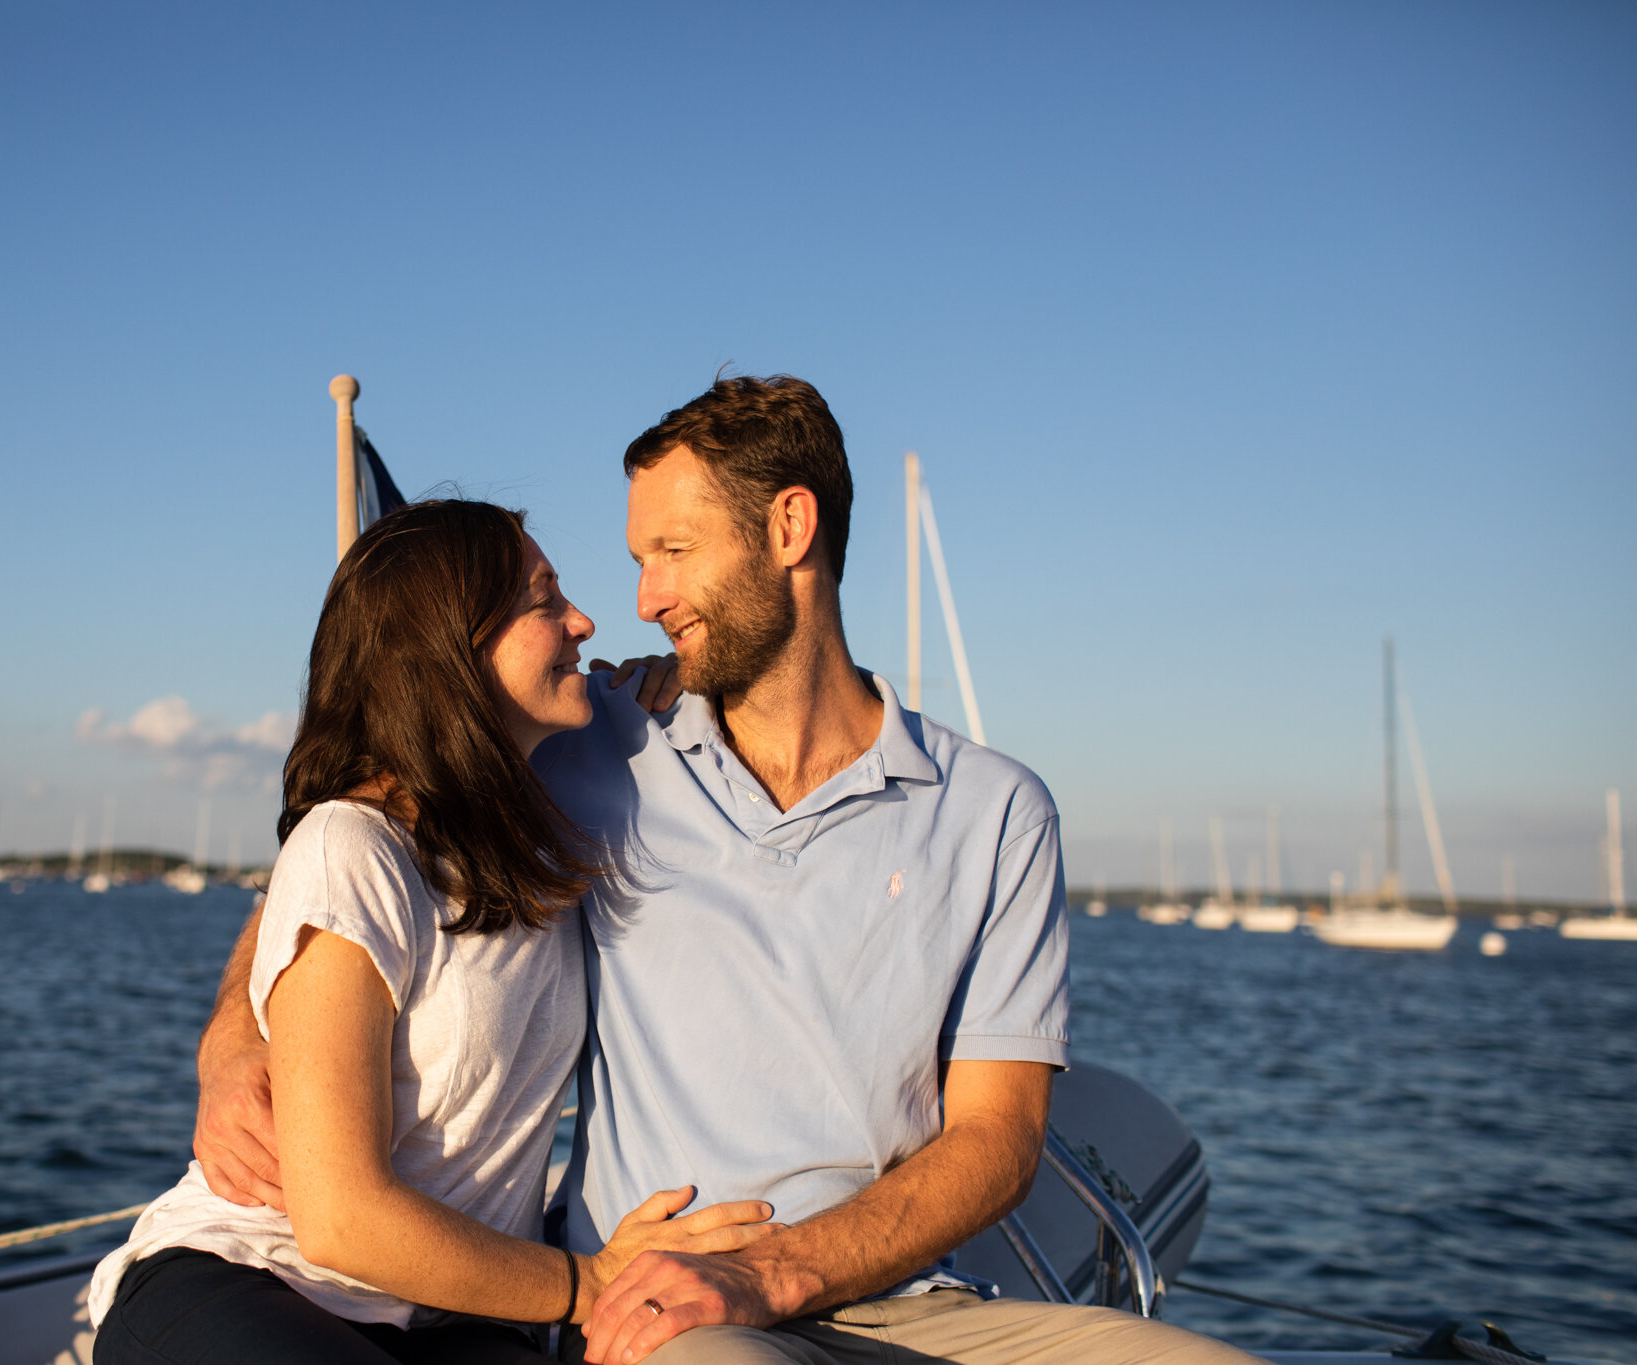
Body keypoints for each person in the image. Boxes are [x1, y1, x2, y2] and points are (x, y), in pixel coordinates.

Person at [195, 378, 1262, 1365]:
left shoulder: (997, 813)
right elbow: (358, 828)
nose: (643, 598)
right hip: (663, 1304)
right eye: (633, 562)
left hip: (913, 1303)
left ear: (788, 528)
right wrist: (234, 1041)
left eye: (671, 550)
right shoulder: (590, 745)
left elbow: (994, 1140)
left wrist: (778, 1271)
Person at [90, 499, 774, 1365]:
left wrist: (671, 684)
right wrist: (588, 1281)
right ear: (451, 648)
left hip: (457, 1318)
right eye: (542, 600)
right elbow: (340, 1218)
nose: (584, 620)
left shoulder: (544, 814)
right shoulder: (355, 845)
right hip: (265, 1278)